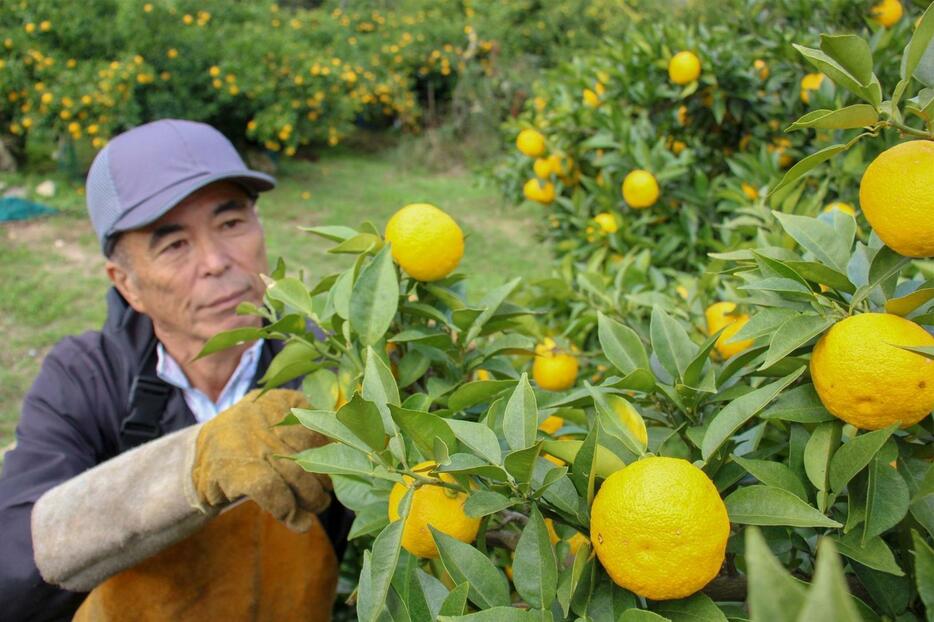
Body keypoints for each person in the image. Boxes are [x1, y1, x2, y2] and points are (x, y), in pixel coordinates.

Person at [0, 119, 349, 621]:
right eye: (174, 245)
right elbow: (15, 572)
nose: (216, 261)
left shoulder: (327, 365)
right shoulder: (86, 378)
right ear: (128, 285)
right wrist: (191, 469)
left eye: (231, 224)